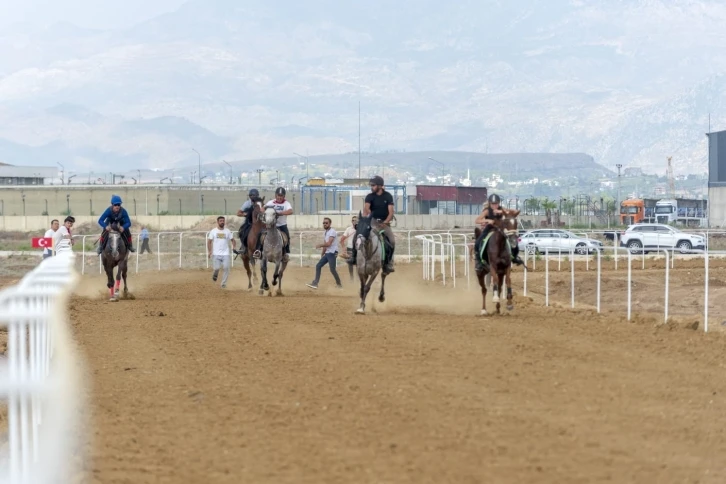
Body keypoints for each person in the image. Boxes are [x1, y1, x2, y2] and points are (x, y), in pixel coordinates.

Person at [347, 175, 395, 273]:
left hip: (384, 224)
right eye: (371, 185)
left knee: (392, 241)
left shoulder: (388, 196)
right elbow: (366, 209)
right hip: (372, 222)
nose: (371, 187)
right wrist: (365, 220)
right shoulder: (369, 197)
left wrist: (385, 222)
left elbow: (391, 213)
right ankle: (353, 257)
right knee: (357, 236)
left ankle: (388, 263)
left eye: (373, 185)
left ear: (380, 186)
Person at [473, 193, 523, 268]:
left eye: (496, 204)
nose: (494, 206)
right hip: (490, 228)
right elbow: (477, 220)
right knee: (478, 242)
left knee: (513, 241)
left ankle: (515, 257)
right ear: (489, 203)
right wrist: (487, 220)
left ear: (498, 203)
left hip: (500, 229)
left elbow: (514, 211)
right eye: (492, 204)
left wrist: (502, 211)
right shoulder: (487, 211)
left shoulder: (502, 209)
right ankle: (479, 261)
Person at [306, 217, 342, 290]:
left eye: (326, 223)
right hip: (328, 253)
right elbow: (326, 244)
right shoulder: (325, 232)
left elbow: (328, 244)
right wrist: (322, 253)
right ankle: (315, 283)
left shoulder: (332, 231)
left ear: (330, 224)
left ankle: (339, 285)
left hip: (332, 253)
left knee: (332, 269)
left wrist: (320, 245)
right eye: (324, 223)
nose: (325, 224)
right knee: (318, 266)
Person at [263, 187, 293, 261]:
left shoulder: (286, 204)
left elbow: (290, 211)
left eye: (281, 196)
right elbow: (262, 209)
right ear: (275, 195)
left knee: (287, 237)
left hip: (282, 225)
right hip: (270, 226)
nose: (279, 197)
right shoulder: (271, 202)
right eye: (278, 195)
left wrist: (280, 213)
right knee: (261, 235)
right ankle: (259, 250)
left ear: (284, 196)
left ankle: (286, 253)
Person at [207, 216, 236, 289]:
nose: (222, 222)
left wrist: (234, 247)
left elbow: (233, 240)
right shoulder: (213, 231)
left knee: (226, 268)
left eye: (223, 221)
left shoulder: (227, 231)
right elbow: (209, 242)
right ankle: (215, 274)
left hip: (225, 254)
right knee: (216, 268)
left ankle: (223, 284)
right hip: (216, 254)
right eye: (221, 221)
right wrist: (210, 251)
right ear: (217, 222)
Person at [235, 188, 263, 258]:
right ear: (250, 196)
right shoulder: (247, 203)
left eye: (255, 195)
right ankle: (244, 247)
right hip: (249, 223)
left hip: (260, 223)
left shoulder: (260, 203)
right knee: (242, 232)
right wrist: (245, 214)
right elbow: (238, 213)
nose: (253, 197)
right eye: (252, 196)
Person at [338, 215, 358, 281]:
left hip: (359, 249)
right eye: (353, 220)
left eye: (355, 220)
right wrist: (344, 249)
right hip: (350, 248)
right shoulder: (349, 229)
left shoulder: (361, 229)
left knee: (360, 263)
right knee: (350, 263)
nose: (354, 221)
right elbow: (341, 240)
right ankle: (351, 278)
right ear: (351, 221)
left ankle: (359, 278)